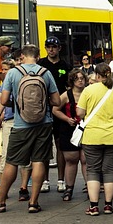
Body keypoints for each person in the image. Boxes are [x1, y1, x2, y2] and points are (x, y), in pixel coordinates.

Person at [0, 44, 60, 215]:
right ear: (38, 57)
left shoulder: (14, 73)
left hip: (21, 124)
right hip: (43, 123)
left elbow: (5, 99)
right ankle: (33, 202)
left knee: (12, 162)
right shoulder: (46, 73)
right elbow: (56, 101)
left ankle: (0, 201)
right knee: (39, 161)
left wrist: (18, 104)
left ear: (22, 57)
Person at [76, 61, 113, 215]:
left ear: (96, 75)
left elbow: (80, 113)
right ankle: (108, 205)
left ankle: (94, 206)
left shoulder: (88, 91)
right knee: (109, 170)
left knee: (93, 170)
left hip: (92, 137)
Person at [38, 37, 71, 192]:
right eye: (48, 47)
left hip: (59, 109)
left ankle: (60, 179)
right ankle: (44, 180)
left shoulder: (65, 66)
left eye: (54, 47)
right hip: (43, 110)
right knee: (45, 146)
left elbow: (69, 87)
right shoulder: (40, 65)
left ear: (59, 48)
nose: (51, 49)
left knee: (60, 144)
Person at [51, 67, 88, 201]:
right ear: (71, 81)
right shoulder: (66, 95)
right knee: (71, 160)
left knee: (86, 160)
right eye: (77, 79)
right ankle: (69, 188)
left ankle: (89, 187)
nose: (80, 81)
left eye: (82, 78)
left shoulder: (89, 92)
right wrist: (67, 119)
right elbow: (55, 109)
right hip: (69, 130)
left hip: (86, 129)